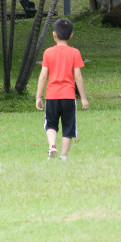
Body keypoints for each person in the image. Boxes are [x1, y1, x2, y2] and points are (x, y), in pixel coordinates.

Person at [35, 18, 88, 161]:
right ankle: (63, 158)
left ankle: (52, 146)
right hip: (69, 97)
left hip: (51, 96)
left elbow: (43, 76)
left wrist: (38, 96)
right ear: (71, 35)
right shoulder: (75, 52)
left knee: (51, 124)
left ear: (54, 35)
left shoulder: (48, 52)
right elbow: (78, 76)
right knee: (68, 128)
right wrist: (83, 98)